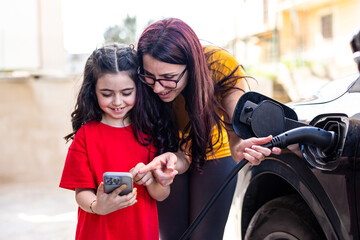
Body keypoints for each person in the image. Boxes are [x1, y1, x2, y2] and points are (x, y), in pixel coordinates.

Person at [136, 18, 282, 240]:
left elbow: (236, 117)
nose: (157, 87)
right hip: (166, 152)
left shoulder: (219, 64)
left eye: (169, 78)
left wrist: (240, 143)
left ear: (192, 65)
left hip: (214, 150)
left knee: (205, 236)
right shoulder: (141, 79)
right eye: (150, 77)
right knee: (172, 235)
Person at [59, 43, 171, 240]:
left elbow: (161, 195)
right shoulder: (86, 135)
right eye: (107, 94)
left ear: (139, 89)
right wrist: (97, 206)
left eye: (127, 93)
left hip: (141, 233)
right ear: (93, 91)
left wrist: (153, 181)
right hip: (97, 233)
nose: (117, 102)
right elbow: (81, 191)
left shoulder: (151, 133)